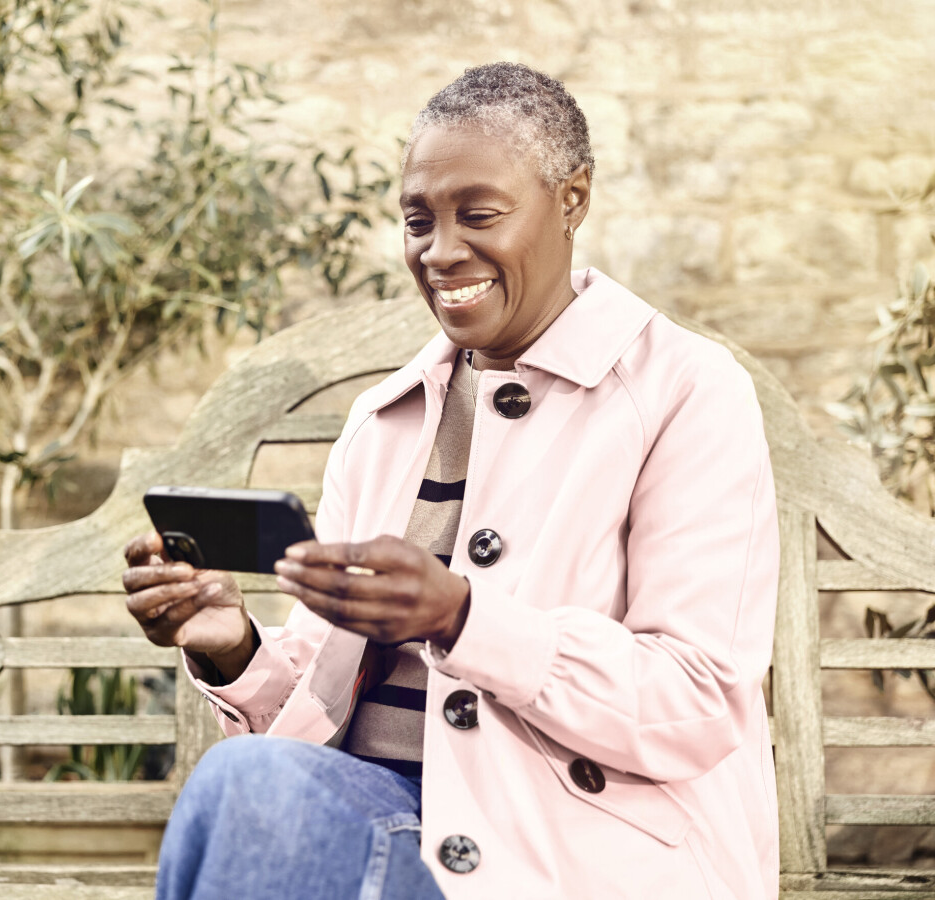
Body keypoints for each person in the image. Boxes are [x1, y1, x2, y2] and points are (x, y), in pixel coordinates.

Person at [123, 61, 779, 900]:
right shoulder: (386, 420)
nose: (439, 251)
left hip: (575, 856)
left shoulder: (685, 390)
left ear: (572, 198)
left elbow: (697, 701)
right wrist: (232, 646)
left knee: (250, 789)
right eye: (416, 220)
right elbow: (330, 693)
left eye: (478, 215)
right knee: (245, 781)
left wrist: (463, 616)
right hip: (384, 829)